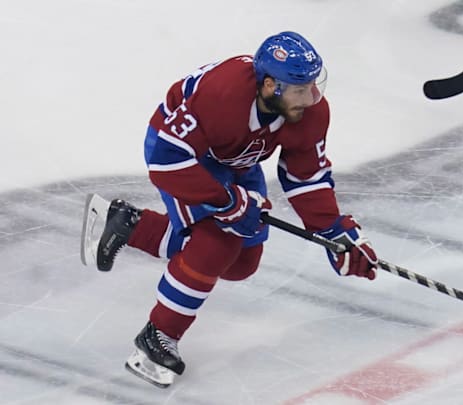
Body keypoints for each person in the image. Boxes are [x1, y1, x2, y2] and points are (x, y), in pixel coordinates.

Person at [88, 31, 378, 388]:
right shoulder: (221, 94)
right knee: (219, 241)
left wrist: (334, 231)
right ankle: (157, 337)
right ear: (270, 85)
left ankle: (130, 226)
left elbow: (306, 177)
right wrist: (227, 202)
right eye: (300, 89)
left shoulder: (309, 111)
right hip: (185, 158)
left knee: (241, 263)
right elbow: (167, 159)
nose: (311, 97)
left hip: (238, 160)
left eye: (313, 85)